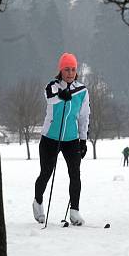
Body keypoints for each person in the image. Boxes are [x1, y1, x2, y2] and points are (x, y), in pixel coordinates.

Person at [32, 52, 91, 226]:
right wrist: (62, 95)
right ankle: (38, 202)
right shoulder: (52, 86)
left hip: (71, 139)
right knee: (46, 172)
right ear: (61, 70)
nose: (70, 73)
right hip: (50, 138)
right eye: (67, 69)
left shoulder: (82, 91)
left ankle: (74, 211)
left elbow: (84, 116)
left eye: (73, 69)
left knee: (75, 174)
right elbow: (51, 99)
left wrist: (83, 140)